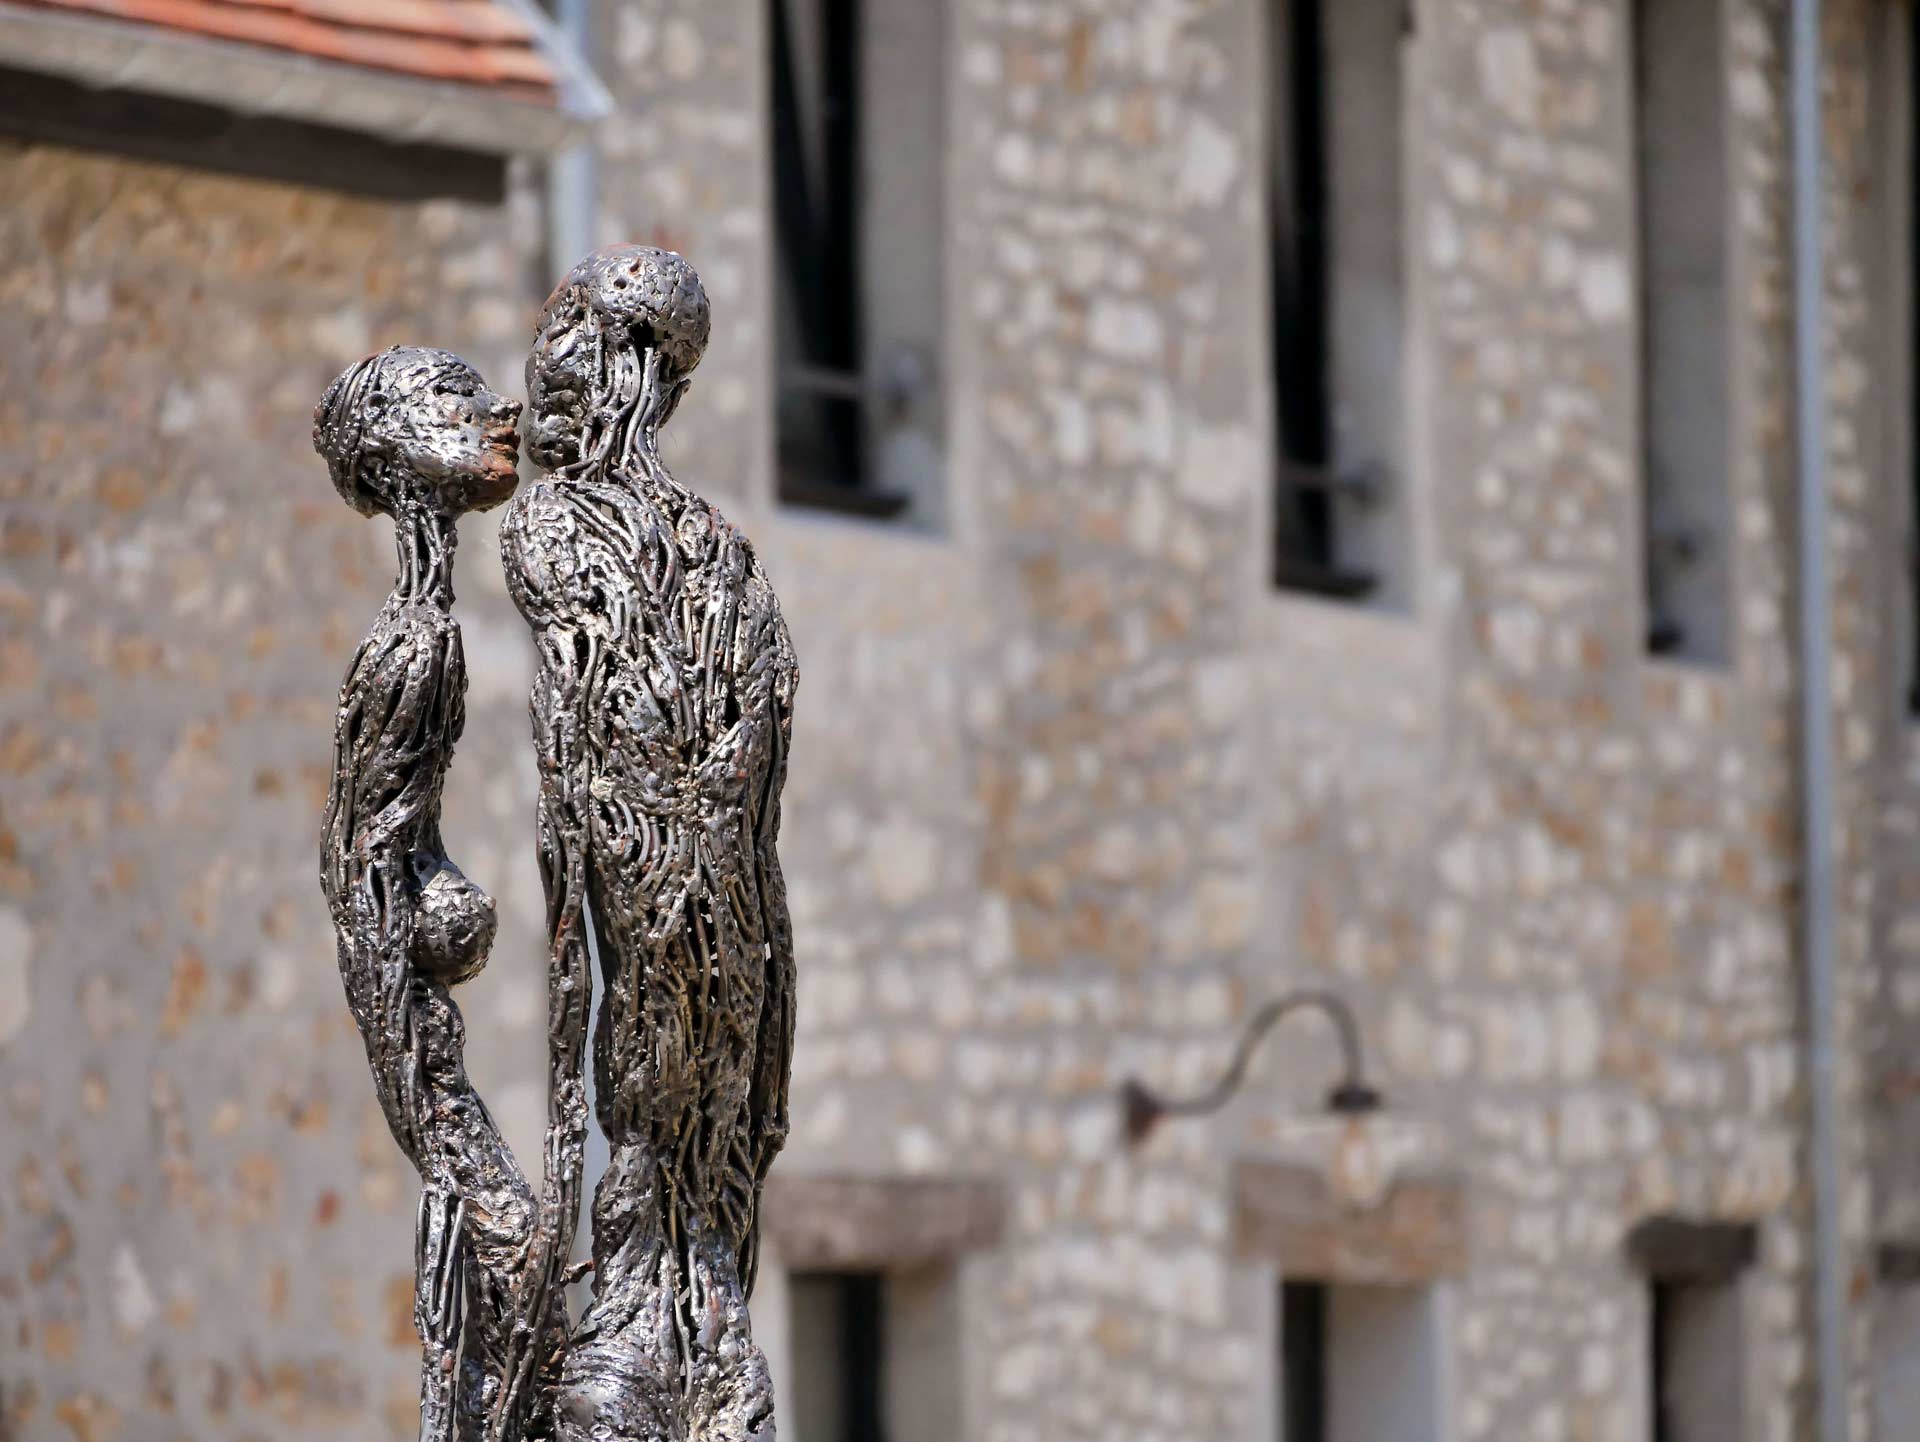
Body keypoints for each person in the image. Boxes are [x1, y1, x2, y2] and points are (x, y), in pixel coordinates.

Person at [501, 247, 797, 1442]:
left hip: (689, 935)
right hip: (731, 939)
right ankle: (688, 1321)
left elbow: (652, 780)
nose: (546, 358)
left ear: (617, 366)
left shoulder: (565, 531)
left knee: (673, 1146)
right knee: (698, 1189)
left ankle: (667, 1321)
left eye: (569, 324)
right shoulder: (721, 554)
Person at [314, 346, 542, 1441]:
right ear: (402, 454)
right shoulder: (409, 647)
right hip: (425, 1054)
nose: (497, 408)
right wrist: (428, 1093)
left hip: (429, 1047)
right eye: (457, 398)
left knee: (526, 1262)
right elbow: (358, 874)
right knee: (517, 1249)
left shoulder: (432, 627)